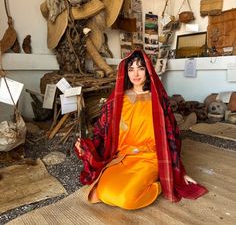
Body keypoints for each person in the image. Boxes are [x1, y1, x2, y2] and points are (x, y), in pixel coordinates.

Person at [75, 49, 207, 210]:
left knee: (127, 200)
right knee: (103, 192)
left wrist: (178, 171)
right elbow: (101, 131)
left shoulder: (158, 100)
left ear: (148, 70)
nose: (135, 74)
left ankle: (158, 185)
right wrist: (86, 147)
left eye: (140, 68)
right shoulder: (117, 100)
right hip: (124, 157)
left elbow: (172, 138)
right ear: (126, 72)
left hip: (150, 158)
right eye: (131, 69)